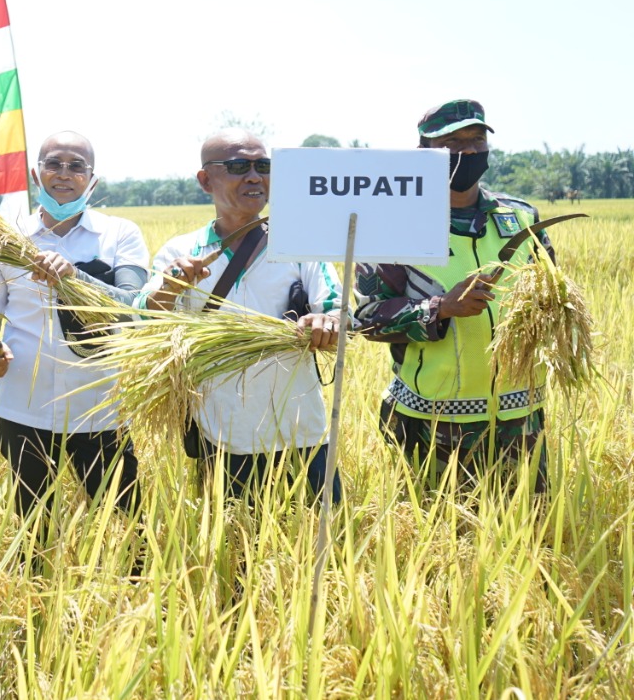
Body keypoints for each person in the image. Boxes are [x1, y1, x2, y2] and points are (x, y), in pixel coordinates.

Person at [355, 99, 551, 494]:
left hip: (521, 417)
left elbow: (550, 295)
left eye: (476, 139)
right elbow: (368, 318)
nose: (468, 151)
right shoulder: (394, 225)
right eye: (451, 143)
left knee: (528, 534)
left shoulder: (520, 218)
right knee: (438, 538)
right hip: (435, 422)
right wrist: (440, 308)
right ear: (423, 154)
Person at [0, 132, 148, 557]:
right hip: (22, 409)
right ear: (37, 174)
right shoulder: (9, 239)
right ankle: (35, 609)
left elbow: (131, 305)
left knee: (127, 526)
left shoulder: (119, 235)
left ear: (93, 180)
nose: (64, 174)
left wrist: (74, 277)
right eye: (54, 163)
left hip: (99, 407)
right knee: (33, 529)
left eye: (76, 166)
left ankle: (139, 605)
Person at [140, 130, 342, 501]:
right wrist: (171, 286)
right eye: (237, 166)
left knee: (320, 548)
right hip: (222, 436)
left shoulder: (301, 242)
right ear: (205, 180)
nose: (254, 176)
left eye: (262, 166)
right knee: (236, 551)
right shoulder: (182, 251)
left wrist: (326, 323)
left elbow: (337, 309)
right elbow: (144, 319)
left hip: (303, 435)